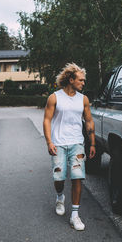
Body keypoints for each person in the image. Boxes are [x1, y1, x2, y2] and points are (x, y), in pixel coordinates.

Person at [43, 63, 96, 231]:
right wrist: (49, 142)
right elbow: (47, 120)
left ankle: (75, 215)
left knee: (77, 177)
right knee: (59, 178)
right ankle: (60, 196)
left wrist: (92, 142)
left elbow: (88, 120)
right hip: (58, 143)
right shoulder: (54, 97)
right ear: (71, 79)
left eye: (84, 80)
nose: (83, 83)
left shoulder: (83, 99)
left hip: (77, 144)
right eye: (80, 80)